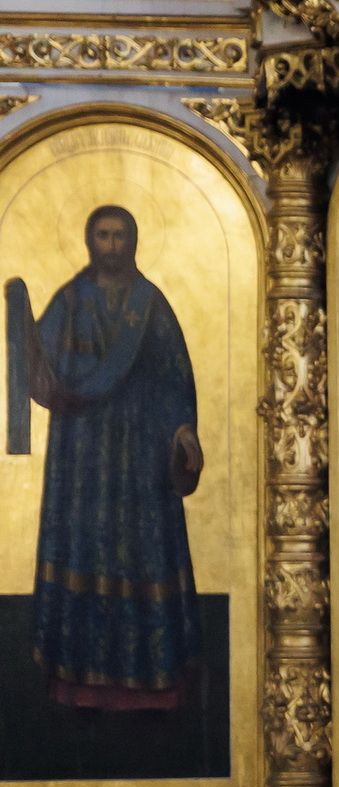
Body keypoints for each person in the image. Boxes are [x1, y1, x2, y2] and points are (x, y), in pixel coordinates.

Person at [18, 204, 204, 710]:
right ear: (89, 240)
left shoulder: (151, 304)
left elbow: (175, 373)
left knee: (144, 547)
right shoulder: (70, 301)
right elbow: (41, 365)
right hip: (82, 455)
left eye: (120, 235)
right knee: (83, 545)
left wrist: (183, 430)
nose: (112, 244)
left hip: (142, 449)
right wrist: (21, 327)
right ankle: (76, 680)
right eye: (103, 235)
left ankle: (155, 682)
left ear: (134, 241)